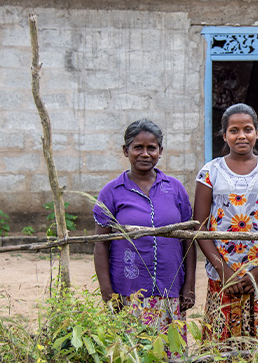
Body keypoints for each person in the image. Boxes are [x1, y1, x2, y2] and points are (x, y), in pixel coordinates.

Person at [93, 119, 196, 354]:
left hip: (170, 289)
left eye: (152, 148)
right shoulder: (112, 192)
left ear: (160, 151)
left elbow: (188, 241)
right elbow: (101, 245)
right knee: (132, 352)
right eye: (138, 147)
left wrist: (189, 284)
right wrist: (107, 291)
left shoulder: (175, 188)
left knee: (171, 352)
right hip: (129, 291)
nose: (145, 153)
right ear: (125, 150)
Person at [193, 103, 258, 345]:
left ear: (257, 132)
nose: (241, 135)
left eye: (247, 129)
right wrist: (224, 272)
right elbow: (200, 227)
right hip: (221, 271)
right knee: (220, 342)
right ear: (224, 135)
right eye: (234, 130)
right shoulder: (210, 172)